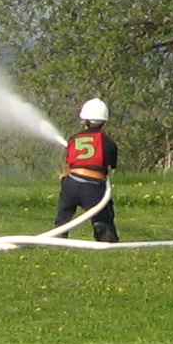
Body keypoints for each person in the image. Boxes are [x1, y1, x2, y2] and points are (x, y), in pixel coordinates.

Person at [56, 97, 120, 242]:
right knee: (103, 215)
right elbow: (110, 167)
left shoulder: (73, 139)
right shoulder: (108, 142)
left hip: (71, 183)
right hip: (93, 186)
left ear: (84, 120)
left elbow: (69, 163)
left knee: (64, 213)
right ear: (104, 121)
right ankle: (105, 234)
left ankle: (60, 233)